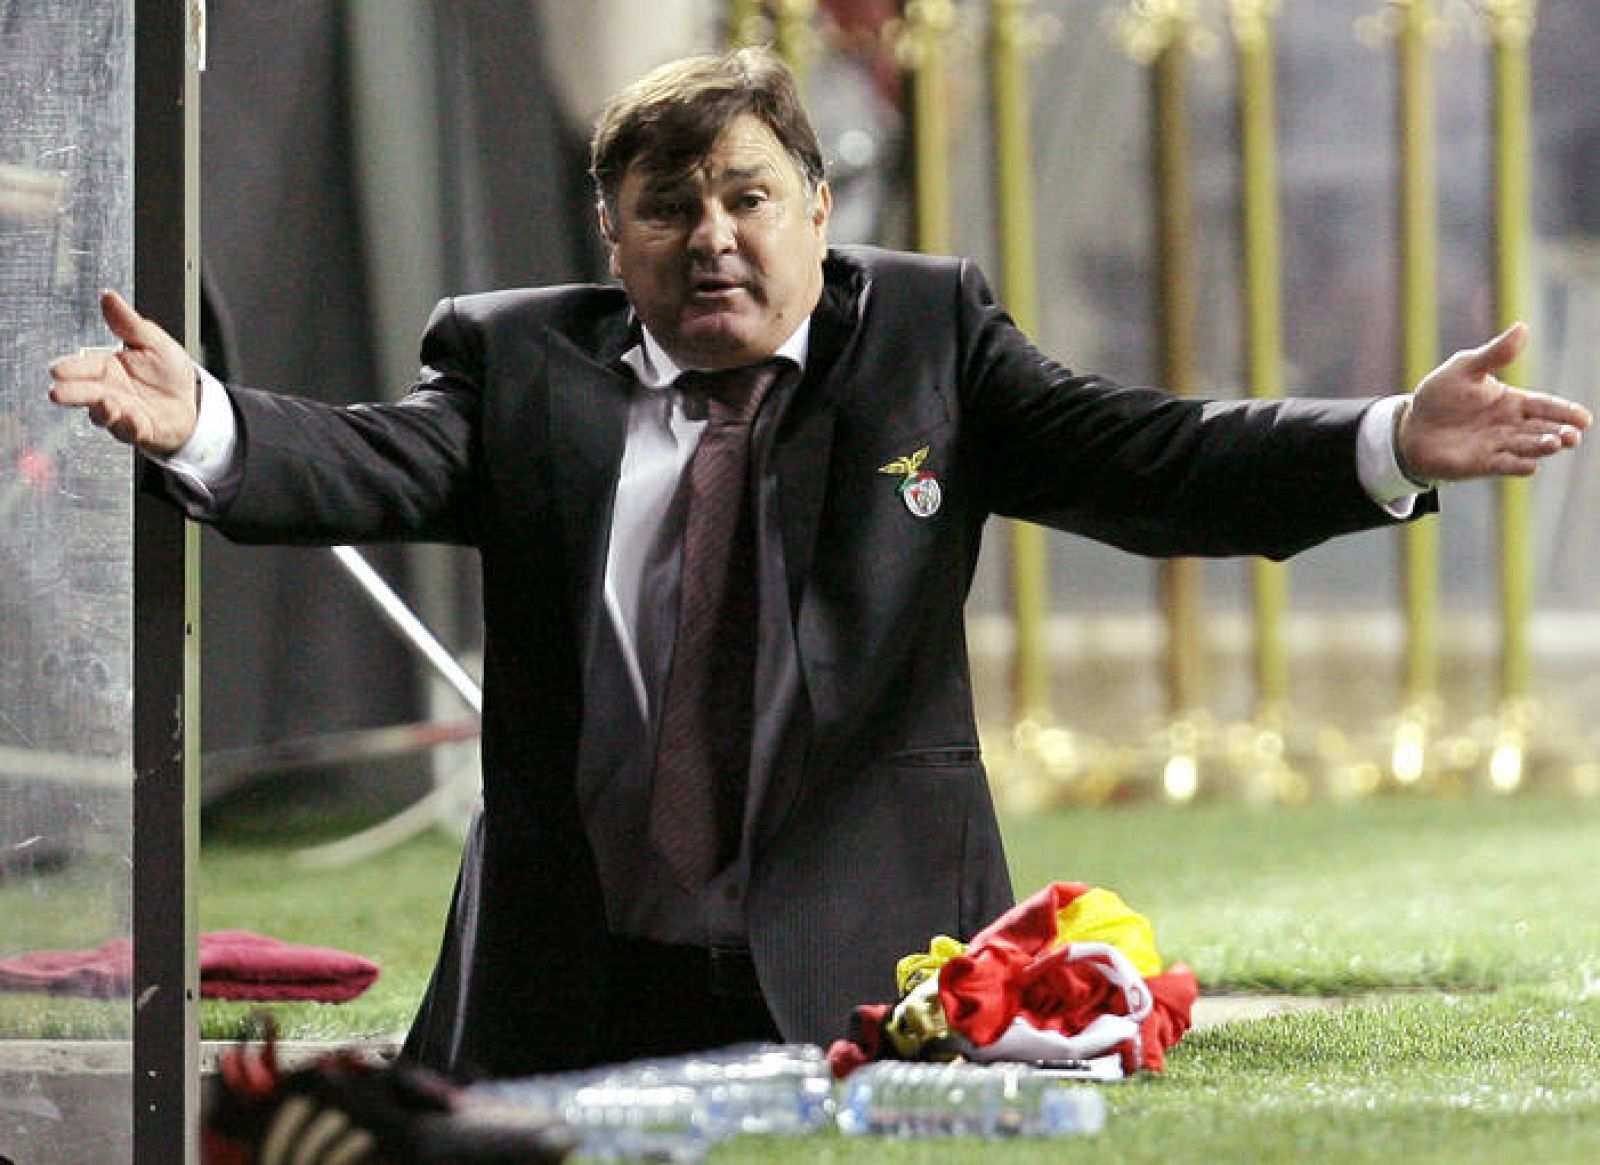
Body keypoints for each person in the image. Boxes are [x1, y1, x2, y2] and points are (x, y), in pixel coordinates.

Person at [48, 47, 1589, 1079]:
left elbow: (1155, 455)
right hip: (565, 987)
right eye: (668, 207)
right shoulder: (523, 366)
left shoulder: (929, 344)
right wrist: (211, 422)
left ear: (818, 211)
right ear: (613, 231)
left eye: (746, 197)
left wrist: (1387, 434)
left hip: (879, 977)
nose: (711, 235)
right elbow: (369, 461)